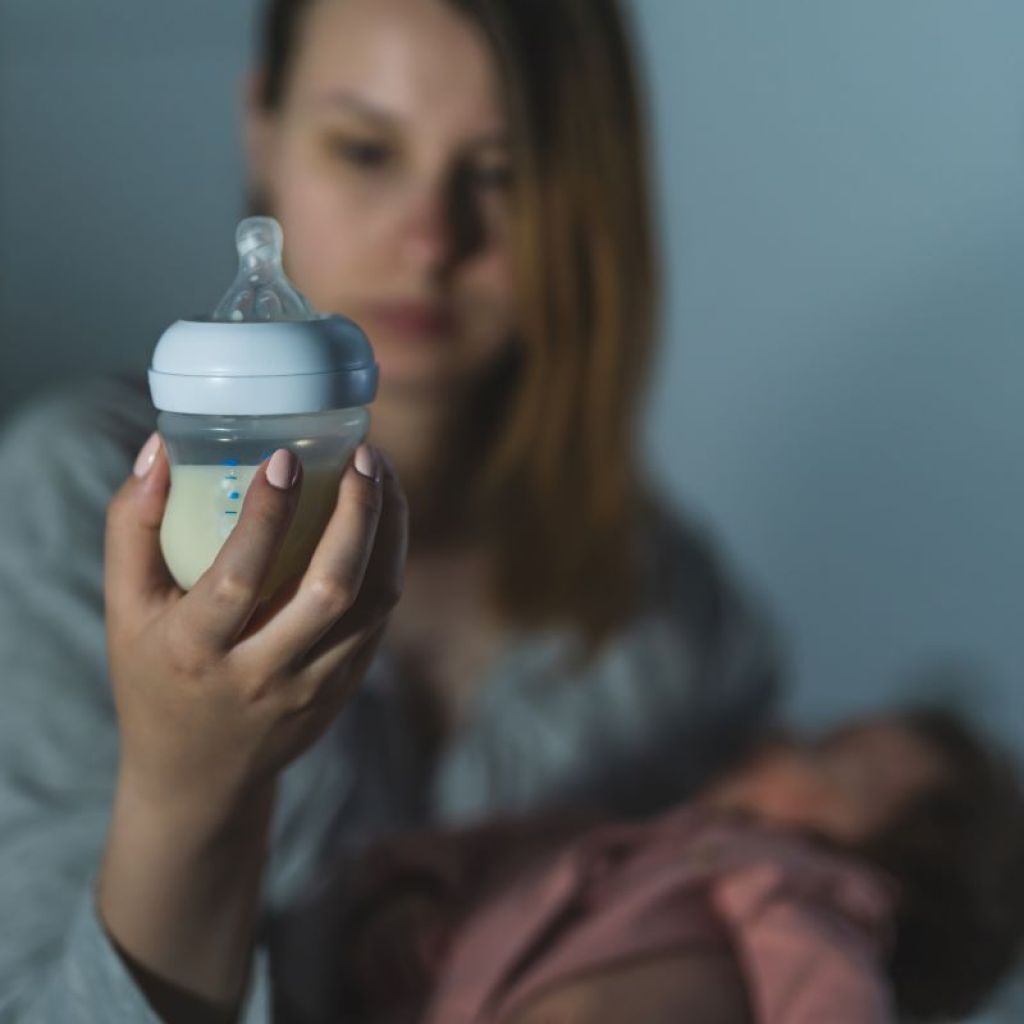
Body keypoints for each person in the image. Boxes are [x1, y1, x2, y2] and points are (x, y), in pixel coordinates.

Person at [0, 1, 780, 1021]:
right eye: (366, 149)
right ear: (262, 132)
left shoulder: (674, 630)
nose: (431, 240)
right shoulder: (92, 503)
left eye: (499, 172)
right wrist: (189, 789)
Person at [289, 705, 1024, 1024]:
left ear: (877, 875)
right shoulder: (620, 840)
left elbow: (829, 993)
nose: (782, 737)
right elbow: (495, 848)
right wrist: (409, 895)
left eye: (829, 755)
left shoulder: (797, 889)